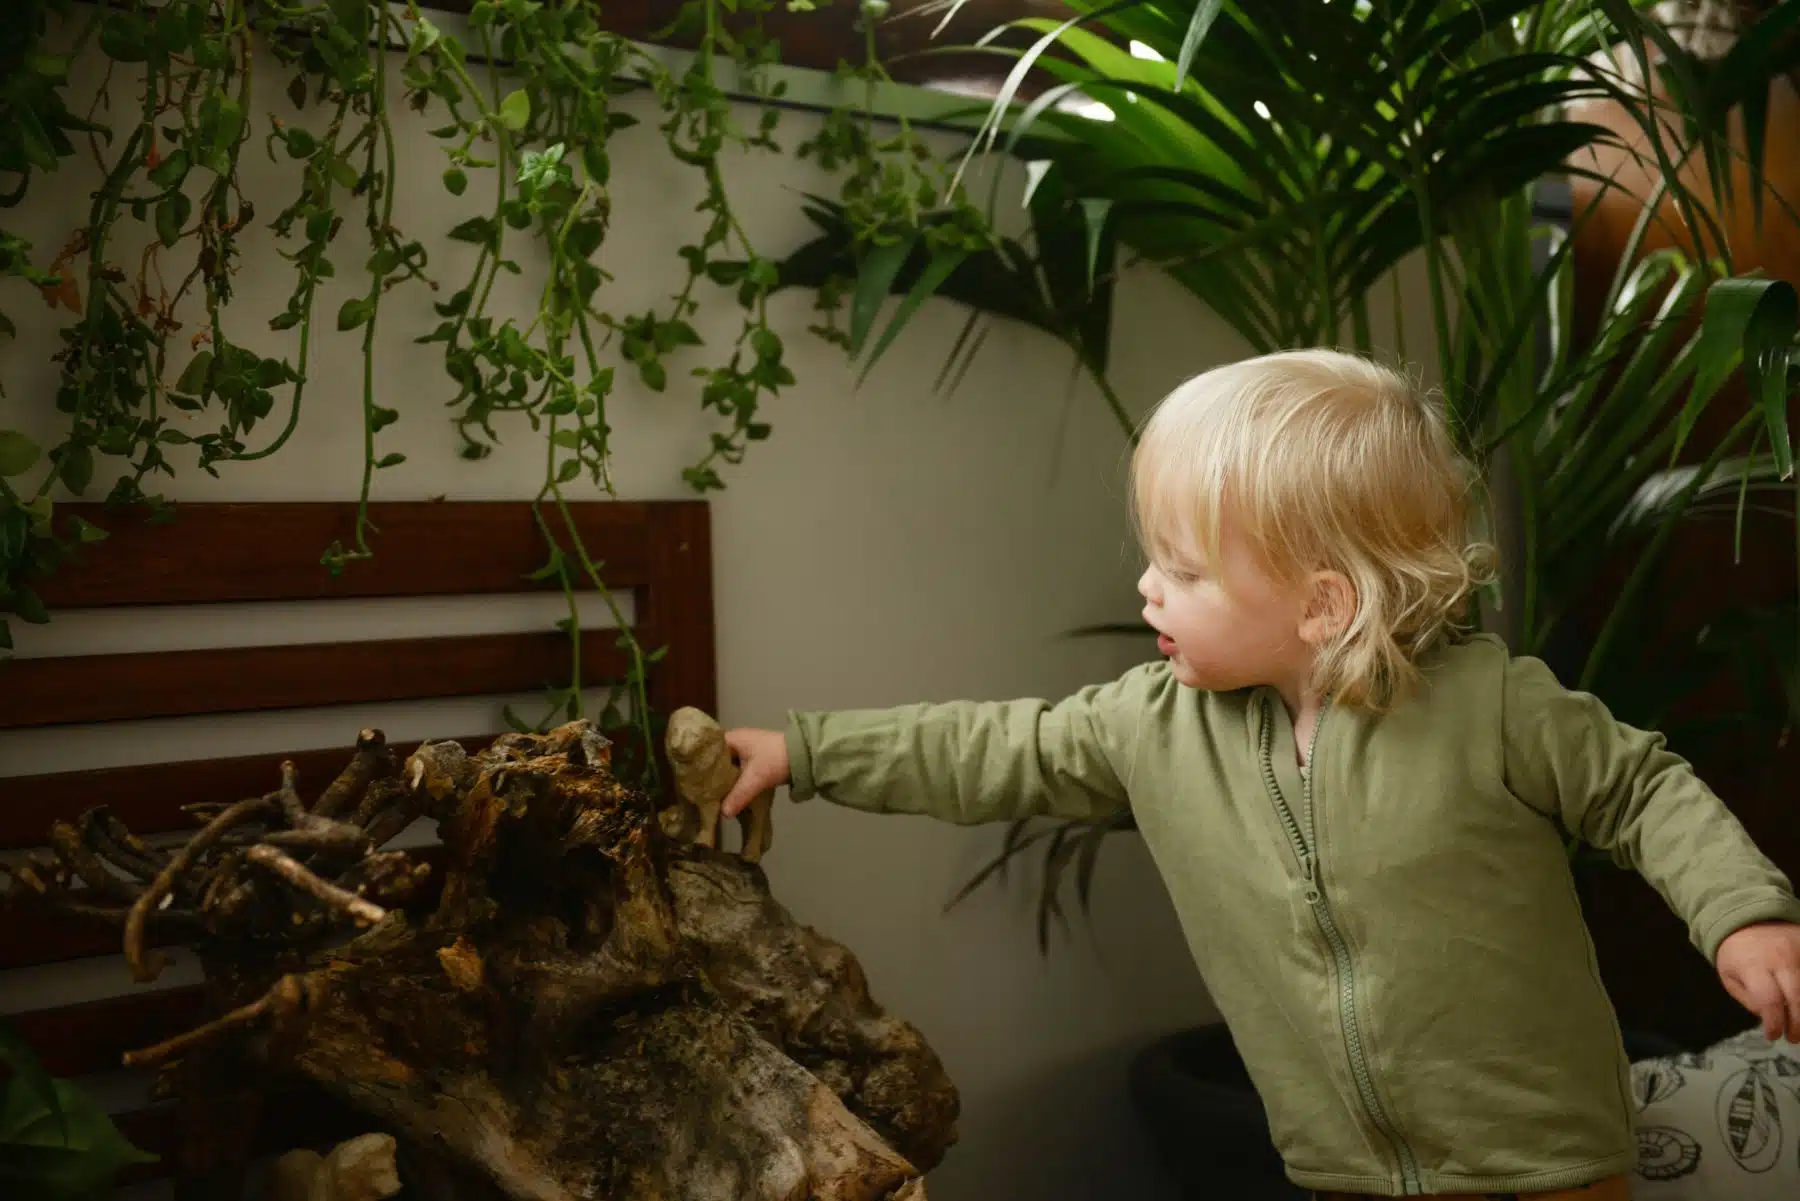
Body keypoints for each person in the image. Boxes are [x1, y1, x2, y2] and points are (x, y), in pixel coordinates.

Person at [715, 348, 1800, 1200]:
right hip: (1346, 1159)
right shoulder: (1153, 724)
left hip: (1545, 1146)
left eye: (1182, 569)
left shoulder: (1495, 704)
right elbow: (994, 748)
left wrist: (1742, 915)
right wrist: (805, 751)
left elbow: (1642, 790)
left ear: (1324, 604)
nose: (1147, 588)